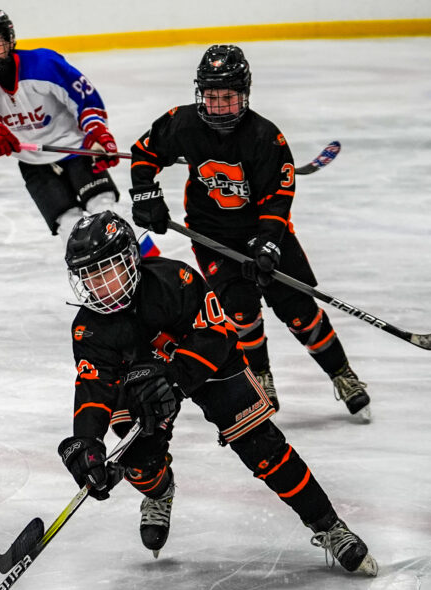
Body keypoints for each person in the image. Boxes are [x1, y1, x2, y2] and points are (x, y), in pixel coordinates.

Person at [56, 210, 378, 576]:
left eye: (105, 270)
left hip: (207, 365)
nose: (98, 285)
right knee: (137, 459)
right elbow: (94, 385)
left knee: (262, 447)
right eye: (88, 275)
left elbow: (218, 335)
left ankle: (330, 526)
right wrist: (87, 443)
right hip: (142, 382)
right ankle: (159, 492)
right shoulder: (88, 328)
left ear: (131, 259)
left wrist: (173, 378)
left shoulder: (175, 280)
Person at [129, 45, 368, 417]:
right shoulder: (183, 122)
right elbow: (145, 152)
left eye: (227, 97)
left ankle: (341, 373)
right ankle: (261, 377)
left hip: (264, 231)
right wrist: (146, 195)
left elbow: (278, 197)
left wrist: (269, 242)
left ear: (244, 94)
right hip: (212, 236)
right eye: (211, 97)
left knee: (299, 310)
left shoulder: (265, 137)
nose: (218, 107)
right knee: (240, 313)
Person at [0, 8, 122, 240]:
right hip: (33, 164)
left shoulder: (44, 65)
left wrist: (98, 133)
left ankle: (143, 259)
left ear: (9, 41)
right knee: (71, 228)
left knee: (106, 212)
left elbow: (85, 101)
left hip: (76, 150)